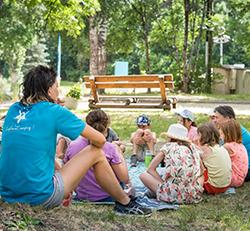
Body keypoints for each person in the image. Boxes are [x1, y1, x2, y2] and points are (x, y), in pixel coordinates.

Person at [0, 65, 151, 216]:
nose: (58, 91)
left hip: (8, 196)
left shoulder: (13, 110)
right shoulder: (54, 111)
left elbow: (35, 151)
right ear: (49, 90)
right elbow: (99, 139)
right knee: (96, 152)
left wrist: (65, 178)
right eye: (57, 86)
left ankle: (120, 199)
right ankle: (125, 202)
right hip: (40, 197)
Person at [64, 109, 133, 202]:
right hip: (109, 196)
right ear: (107, 126)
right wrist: (118, 151)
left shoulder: (73, 145)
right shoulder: (110, 148)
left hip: (83, 195)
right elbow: (124, 178)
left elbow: (67, 169)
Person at [140, 123, 204, 204]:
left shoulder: (168, 146)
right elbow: (202, 171)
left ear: (170, 137)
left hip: (172, 194)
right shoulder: (193, 148)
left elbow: (150, 169)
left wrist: (162, 183)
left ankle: (161, 192)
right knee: (199, 176)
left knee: (143, 175)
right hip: (192, 195)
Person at [213, 105, 250, 181]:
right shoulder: (234, 128)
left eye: (217, 117)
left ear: (228, 118)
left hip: (245, 170)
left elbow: (219, 152)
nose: (215, 120)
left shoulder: (234, 132)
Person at [197, 122, 232, 194]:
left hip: (213, 187)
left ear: (203, 137)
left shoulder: (205, 148)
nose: (196, 137)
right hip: (226, 185)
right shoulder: (220, 147)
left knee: (197, 166)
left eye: (198, 135)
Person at [219, 119, 248, 187]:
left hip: (232, 179)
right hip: (240, 179)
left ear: (227, 134)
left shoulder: (227, 146)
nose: (220, 137)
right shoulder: (241, 145)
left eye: (221, 134)